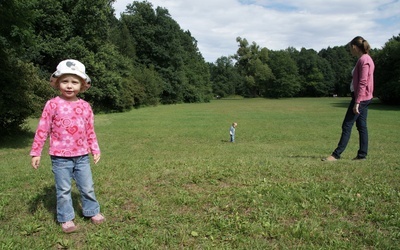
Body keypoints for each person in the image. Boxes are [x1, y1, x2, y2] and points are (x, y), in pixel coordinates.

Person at [30, 59, 105, 233]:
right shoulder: (52, 104)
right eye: (65, 81)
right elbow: (43, 128)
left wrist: (95, 149)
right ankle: (66, 217)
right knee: (63, 189)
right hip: (60, 157)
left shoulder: (85, 106)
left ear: (82, 85)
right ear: (57, 83)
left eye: (74, 82)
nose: (69, 86)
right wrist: (36, 152)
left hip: (81, 156)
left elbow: (90, 131)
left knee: (87, 186)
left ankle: (91, 211)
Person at [323, 36, 375, 161]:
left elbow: (363, 82)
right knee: (361, 125)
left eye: (350, 48)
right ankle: (362, 155)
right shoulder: (364, 59)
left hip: (360, 98)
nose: (350, 51)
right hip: (363, 97)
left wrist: (357, 102)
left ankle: (336, 155)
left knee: (347, 125)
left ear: (354, 47)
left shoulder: (364, 60)